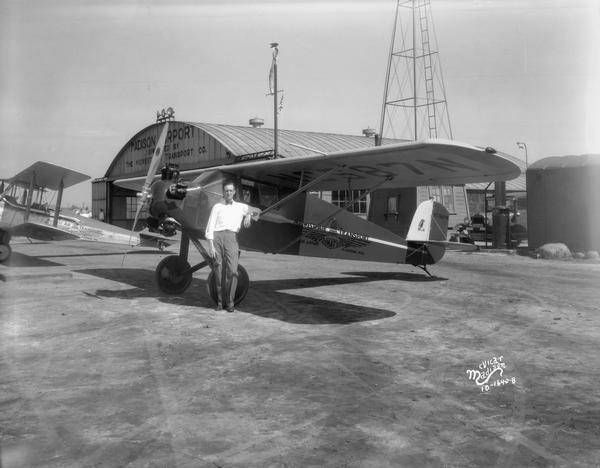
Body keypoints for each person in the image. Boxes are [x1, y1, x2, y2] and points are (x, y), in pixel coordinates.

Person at [205, 180, 254, 312]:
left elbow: (256, 210)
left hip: (232, 238)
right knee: (218, 270)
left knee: (233, 271)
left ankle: (230, 302)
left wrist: (249, 215)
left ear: (234, 192)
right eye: (226, 190)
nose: (228, 193)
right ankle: (220, 303)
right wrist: (211, 245)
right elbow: (210, 226)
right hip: (217, 238)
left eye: (230, 190)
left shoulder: (240, 207)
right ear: (223, 192)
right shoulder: (217, 207)